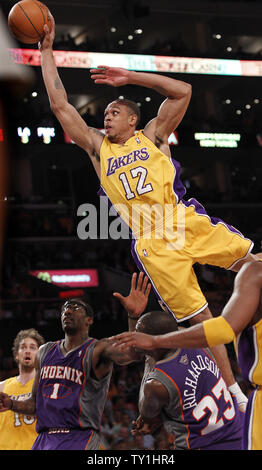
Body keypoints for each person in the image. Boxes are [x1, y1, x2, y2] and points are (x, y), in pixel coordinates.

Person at [39, 17, 256, 407]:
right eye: (104, 113)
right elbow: (59, 104)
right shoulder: (96, 147)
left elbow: (183, 91)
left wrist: (131, 78)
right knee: (201, 320)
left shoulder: (154, 134)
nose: (106, 116)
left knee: (254, 265)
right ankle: (238, 394)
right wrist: (46, 50)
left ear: (133, 119)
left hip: (183, 220)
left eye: (114, 111)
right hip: (153, 244)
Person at [111, 260, 262, 450]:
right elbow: (140, 349)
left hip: (204, 444)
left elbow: (146, 414)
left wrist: (149, 340)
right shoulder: (193, 339)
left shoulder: (156, 384)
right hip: (237, 429)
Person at [0, 298, 141, 450]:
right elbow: (34, 404)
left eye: (76, 308)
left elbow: (132, 354)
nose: (67, 311)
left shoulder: (97, 349)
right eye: (65, 309)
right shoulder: (45, 352)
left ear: (89, 320)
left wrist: (133, 316)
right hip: (44, 439)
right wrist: (11, 404)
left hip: (79, 437)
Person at [0, 328, 45, 450]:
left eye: (32, 347)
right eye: (23, 347)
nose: (27, 351)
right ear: (16, 354)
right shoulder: (2, 387)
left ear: (40, 355)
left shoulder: (46, 385)